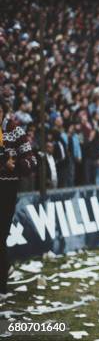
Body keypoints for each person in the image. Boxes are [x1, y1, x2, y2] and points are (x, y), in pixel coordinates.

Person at [0, 98, 37, 295]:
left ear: (3, 112)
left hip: (6, 188)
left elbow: (31, 160)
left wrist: (15, 166)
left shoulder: (15, 130)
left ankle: (2, 284)